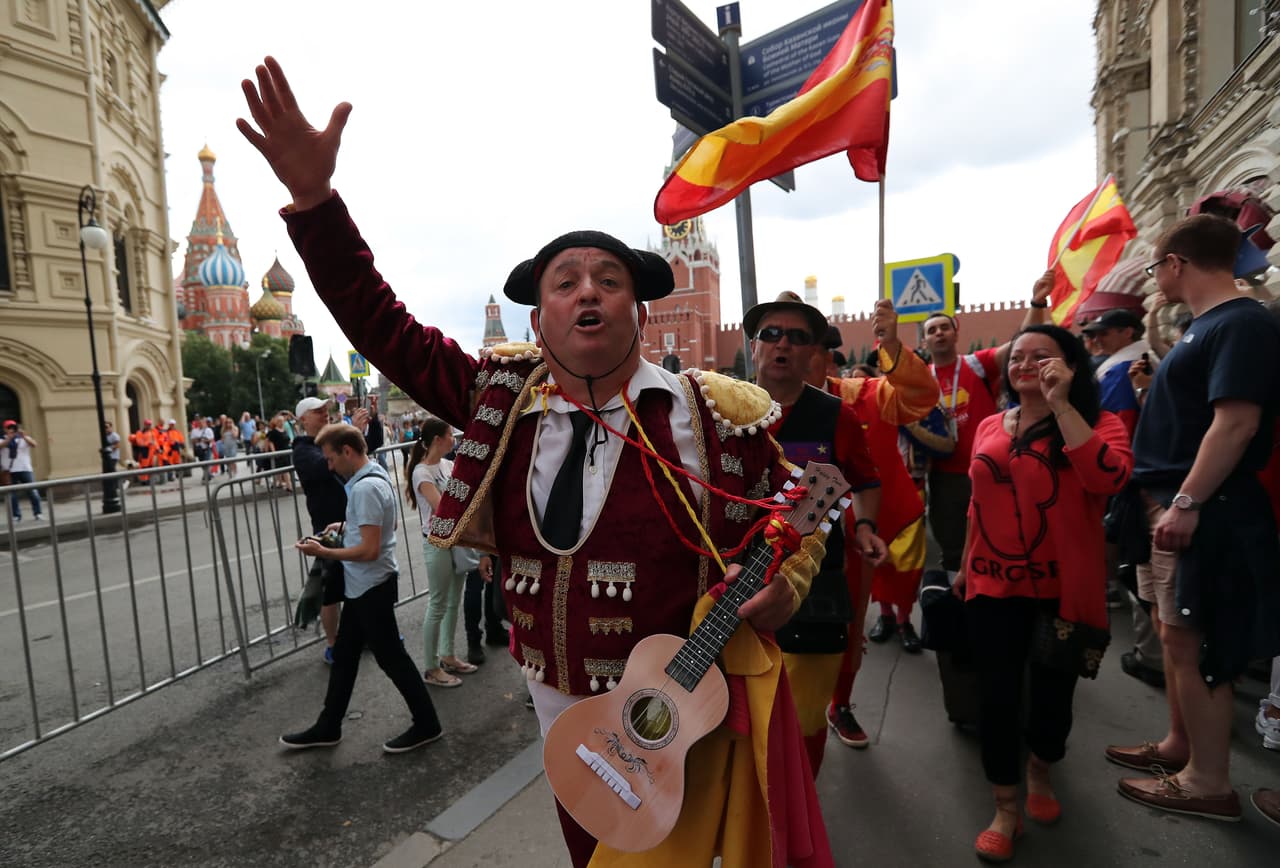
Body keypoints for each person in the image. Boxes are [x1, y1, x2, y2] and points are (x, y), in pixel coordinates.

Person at [239, 56, 833, 868]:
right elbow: (382, 325)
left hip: (679, 701)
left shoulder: (711, 413)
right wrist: (315, 205)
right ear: (540, 314)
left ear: (639, 307)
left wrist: (782, 588)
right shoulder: (500, 398)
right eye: (565, 281)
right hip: (553, 691)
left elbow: (797, 522)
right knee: (588, 849)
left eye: (608, 278)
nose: (587, 291)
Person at [1108, 214, 1280, 822]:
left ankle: (1208, 781)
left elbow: (1236, 422)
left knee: (1195, 637)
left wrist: (1186, 502)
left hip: (1204, 511)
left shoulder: (1239, 322)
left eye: (1158, 267)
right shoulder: (1210, 326)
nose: (1157, 279)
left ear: (1177, 263)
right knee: (1175, 636)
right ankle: (1182, 746)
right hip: (1176, 506)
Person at [955, 324, 1132, 860]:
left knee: (1053, 696)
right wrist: (964, 567)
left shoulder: (1098, 424)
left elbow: (1109, 480)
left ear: (1071, 366)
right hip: (991, 584)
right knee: (996, 696)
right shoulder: (989, 424)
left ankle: (1041, 768)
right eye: (1018, 355)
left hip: (1064, 590)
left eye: (1043, 356)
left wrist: (1061, 405)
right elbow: (975, 505)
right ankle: (1006, 806)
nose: (1026, 363)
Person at [746, 290, 887, 774]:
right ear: (754, 347)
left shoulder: (836, 417)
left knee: (804, 723)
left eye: (798, 337)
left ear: (813, 353)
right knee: (745, 725)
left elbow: (866, 480)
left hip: (816, 590)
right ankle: (754, 823)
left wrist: (865, 525)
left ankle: (797, 825)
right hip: (734, 589)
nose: (782, 344)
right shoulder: (720, 410)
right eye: (771, 334)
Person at [811, 300, 942, 749]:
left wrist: (891, 344)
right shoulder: (758, 404)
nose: (788, 351)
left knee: (847, 627)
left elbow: (923, 397)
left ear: (827, 356)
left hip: (854, 535)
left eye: (806, 342)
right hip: (784, 541)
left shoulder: (866, 396)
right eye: (776, 337)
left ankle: (840, 703)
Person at [284, 423, 443, 753]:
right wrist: (343, 526)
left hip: (371, 585)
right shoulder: (374, 475)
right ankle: (329, 726)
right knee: (345, 656)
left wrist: (324, 551)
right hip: (365, 586)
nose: (328, 467)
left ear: (347, 451)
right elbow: (388, 524)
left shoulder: (364, 489)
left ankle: (427, 723)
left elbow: (369, 550)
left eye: (330, 459)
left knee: (391, 658)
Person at [922, 276, 1053, 582]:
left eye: (944, 328)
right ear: (924, 341)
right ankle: (961, 601)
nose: (938, 333)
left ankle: (994, 595)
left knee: (998, 537)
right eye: (931, 331)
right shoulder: (921, 379)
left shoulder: (977, 364)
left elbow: (1019, 344)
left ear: (956, 333)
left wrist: (1035, 303)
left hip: (987, 470)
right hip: (943, 477)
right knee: (951, 544)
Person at [406, 418, 478, 688]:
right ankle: (431, 667)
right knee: (437, 604)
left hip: (456, 540)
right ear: (438, 439)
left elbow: (465, 496)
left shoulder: (448, 465)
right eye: (450, 435)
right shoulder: (421, 472)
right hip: (436, 542)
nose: (454, 439)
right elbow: (442, 507)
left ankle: (448, 656)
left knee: (452, 602)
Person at [292, 397, 346, 661]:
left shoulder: (330, 441)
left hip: (349, 518)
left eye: (326, 410)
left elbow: (363, 451)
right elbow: (322, 468)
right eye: (318, 411)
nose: (325, 414)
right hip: (327, 524)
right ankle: (334, 644)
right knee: (331, 589)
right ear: (304, 419)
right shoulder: (302, 449)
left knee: (360, 581)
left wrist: (365, 430)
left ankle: (363, 634)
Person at [1, 420, 42, 521]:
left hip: (25, 469)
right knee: (11, 495)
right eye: (8, 427)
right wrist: (9, 438)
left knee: (33, 492)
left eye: (13, 427)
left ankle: (38, 513)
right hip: (9, 471)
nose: (11, 429)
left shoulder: (24, 438)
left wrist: (23, 436)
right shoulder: (2, 439)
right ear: (5, 429)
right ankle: (16, 515)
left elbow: (34, 444)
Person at [129, 419, 161, 486]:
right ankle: (144, 480)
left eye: (150, 425)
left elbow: (155, 441)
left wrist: (158, 449)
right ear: (145, 425)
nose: (149, 426)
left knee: (150, 466)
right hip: (144, 451)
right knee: (144, 466)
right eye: (148, 425)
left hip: (151, 452)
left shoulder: (152, 432)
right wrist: (148, 443)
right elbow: (139, 442)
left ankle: (149, 479)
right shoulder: (140, 432)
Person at [266, 415, 293, 491]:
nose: (281, 423)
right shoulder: (274, 432)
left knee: (283, 469)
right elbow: (270, 442)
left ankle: (281, 483)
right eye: (279, 421)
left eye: (282, 421)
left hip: (286, 451)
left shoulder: (284, 430)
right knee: (282, 469)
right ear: (276, 422)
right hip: (279, 452)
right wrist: (274, 452)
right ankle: (288, 485)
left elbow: (287, 440)